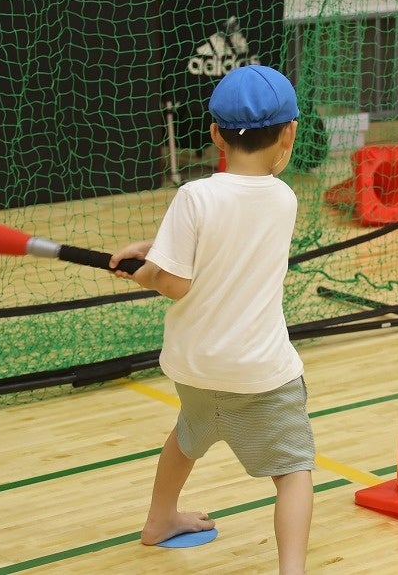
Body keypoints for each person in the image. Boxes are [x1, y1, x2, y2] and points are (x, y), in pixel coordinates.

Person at [110, 64, 313, 573]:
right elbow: (211, 253)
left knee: (187, 436)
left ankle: (159, 519)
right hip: (260, 372)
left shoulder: (194, 196)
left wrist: (148, 271)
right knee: (293, 471)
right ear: (289, 135)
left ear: (215, 134)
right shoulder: (284, 199)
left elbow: (175, 280)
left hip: (195, 364)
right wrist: (158, 258)